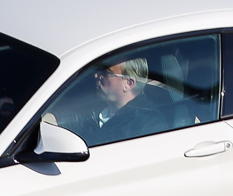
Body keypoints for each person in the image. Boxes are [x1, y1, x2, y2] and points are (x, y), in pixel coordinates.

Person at [44, 57, 174, 146]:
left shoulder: (147, 125)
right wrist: (50, 120)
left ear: (128, 83)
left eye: (106, 73)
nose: (96, 76)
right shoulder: (99, 107)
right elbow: (77, 119)